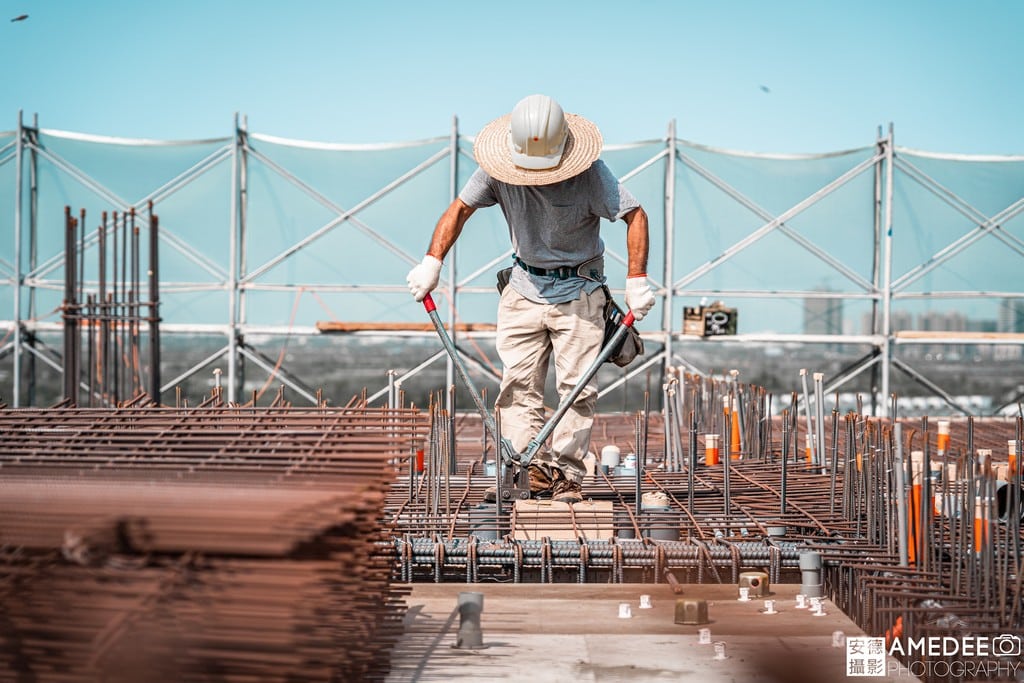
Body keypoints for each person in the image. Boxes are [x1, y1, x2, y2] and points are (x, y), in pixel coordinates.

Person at [406, 94, 655, 504]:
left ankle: (566, 475)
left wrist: (637, 278)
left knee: (577, 388)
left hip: (579, 291)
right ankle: (523, 472)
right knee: (518, 386)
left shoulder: (590, 174)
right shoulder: (497, 167)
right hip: (523, 290)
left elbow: (635, 214)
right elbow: (460, 209)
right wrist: (432, 261)